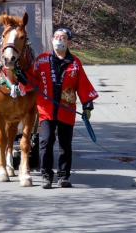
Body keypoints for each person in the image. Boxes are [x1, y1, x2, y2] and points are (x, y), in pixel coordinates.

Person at [29, 26, 98, 189]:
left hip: (67, 111)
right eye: (57, 37)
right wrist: (19, 76)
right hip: (46, 110)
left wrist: (87, 104)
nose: (60, 40)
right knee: (45, 141)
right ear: (52, 40)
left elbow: (83, 84)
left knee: (65, 144)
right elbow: (30, 78)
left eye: (64, 38)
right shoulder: (41, 60)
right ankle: (46, 176)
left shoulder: (75, 63)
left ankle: (63, 176)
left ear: (68, 42)